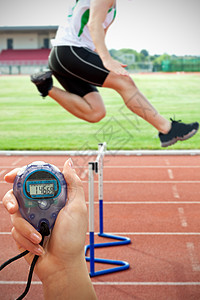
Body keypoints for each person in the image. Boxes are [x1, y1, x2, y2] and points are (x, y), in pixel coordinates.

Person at [31, 0, 199, 147]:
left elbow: (99, 34)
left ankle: (46, 86)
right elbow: (94, 25)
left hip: (66, 55)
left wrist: (100, 58)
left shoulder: (113, 5)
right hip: (70, 52)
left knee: (96, 112)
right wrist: (106, 60)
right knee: (125, 82)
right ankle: (168, 130)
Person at [2, 159, 98, 300]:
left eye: (45, 189)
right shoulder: (51, 180)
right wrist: (59, 274)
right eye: (37, 189)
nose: (42, 203)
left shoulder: (26, 181)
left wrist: (66, 266)